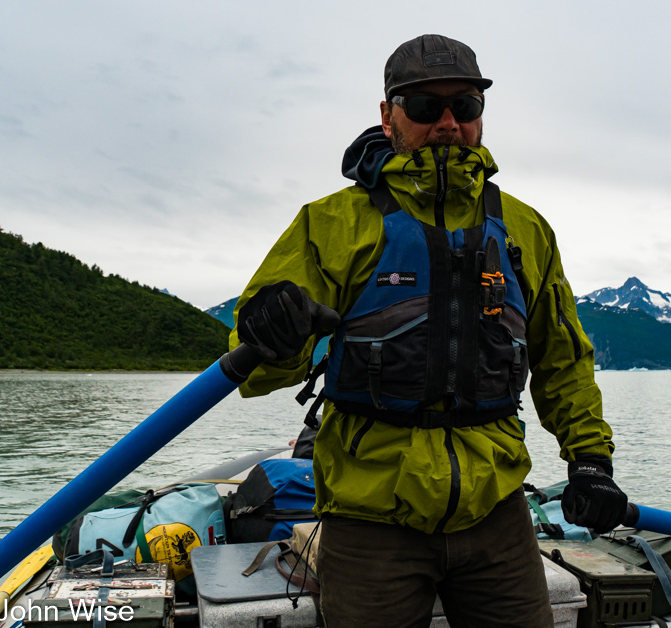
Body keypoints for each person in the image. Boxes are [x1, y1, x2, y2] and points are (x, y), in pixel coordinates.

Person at [230, 34, 628, 628]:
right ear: (388, 116)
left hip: (496, 511)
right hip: (370, 518)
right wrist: (273, 333)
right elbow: (256, 370)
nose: (447, 122)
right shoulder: (331, 224)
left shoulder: (524, 228)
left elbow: (562, 359)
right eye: (423, 106)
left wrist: (590, 461)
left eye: (464, 106)